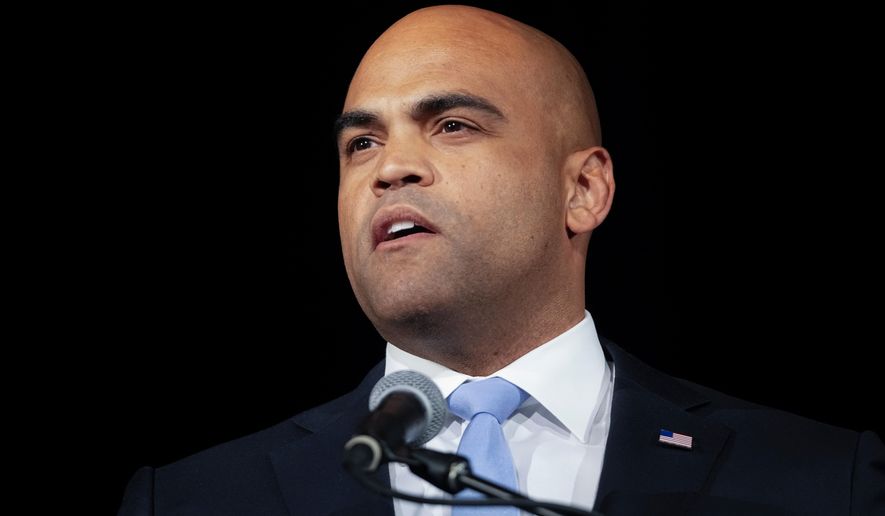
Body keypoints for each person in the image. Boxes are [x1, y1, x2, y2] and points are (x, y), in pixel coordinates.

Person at [118, 5, 884, 516]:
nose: (389, 170)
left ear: (582, 189)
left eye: (450, 125)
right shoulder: (194, 499)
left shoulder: (818, 481)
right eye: (362, 144)